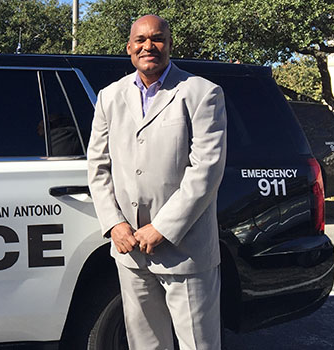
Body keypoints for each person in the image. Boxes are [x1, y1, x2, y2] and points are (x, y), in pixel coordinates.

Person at [87, 14, 227, 349]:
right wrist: (114, 223)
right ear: (129, 48)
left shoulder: (201, 93)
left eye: (157, 38)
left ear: (169, 44)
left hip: (185, 249)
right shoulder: (109, 97)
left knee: (198, 344)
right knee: (144, 344)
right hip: (130, 250)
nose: (149, 46)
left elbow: (206, 169)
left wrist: (162, 227)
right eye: (141, 40)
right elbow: (98, 165)